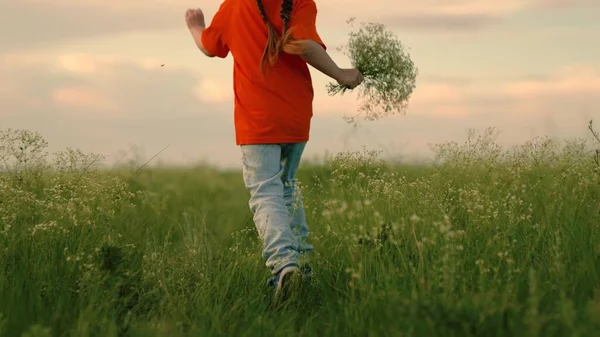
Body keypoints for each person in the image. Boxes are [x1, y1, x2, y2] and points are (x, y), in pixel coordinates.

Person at [184, 0, 363, 303]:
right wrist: (340, 73)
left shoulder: (234, 6)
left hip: (257, 120)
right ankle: (303, 267)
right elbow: (303, 44)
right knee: (286, 188)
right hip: (294, 114)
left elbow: (209, 46)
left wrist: (195, 26)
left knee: (266, 192)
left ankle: (284, 264)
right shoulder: (300, 3)